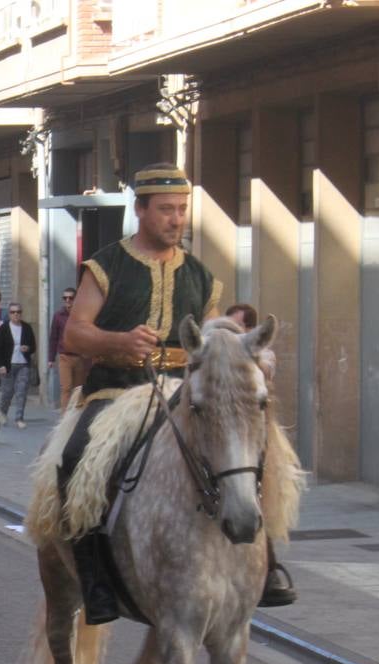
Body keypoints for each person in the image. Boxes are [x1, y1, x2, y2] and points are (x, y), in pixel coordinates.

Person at [59, 164, 295, 625]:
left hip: (185, 389)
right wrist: (119, 342)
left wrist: (245, 357)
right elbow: (74, 335)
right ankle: (96, 581)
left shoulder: (200, 274)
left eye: (182, 210)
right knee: (75, 460)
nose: (176, 219)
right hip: (115, 389)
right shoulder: (106, 265)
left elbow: (210, 333)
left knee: (258, 450)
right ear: (141, 210)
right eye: (166, 210)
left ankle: (267, 563)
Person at [0, 301, 37, 427]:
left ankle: (19, 418)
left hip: (23, 364)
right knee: (7, 392)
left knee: (22, 391)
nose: (16, 314)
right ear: (9, 314)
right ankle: (2, 412)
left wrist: (27, 348)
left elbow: (33, 346)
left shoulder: (27, 328)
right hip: (8, 365)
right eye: (13, 312)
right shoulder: (3, 328)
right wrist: (1, 365)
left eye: (18, 312)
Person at [48, 287, 84, 410]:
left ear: (76, 299)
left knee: (78, 389)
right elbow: (53, 337)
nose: (67, 300)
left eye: (70, 298)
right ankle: (64, 417)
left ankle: (75, 415)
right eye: (65, 298)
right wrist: (51, 358)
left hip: (80, 357)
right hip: (65, 356)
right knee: (66, 387)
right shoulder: (58, 316)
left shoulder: (81, 314)